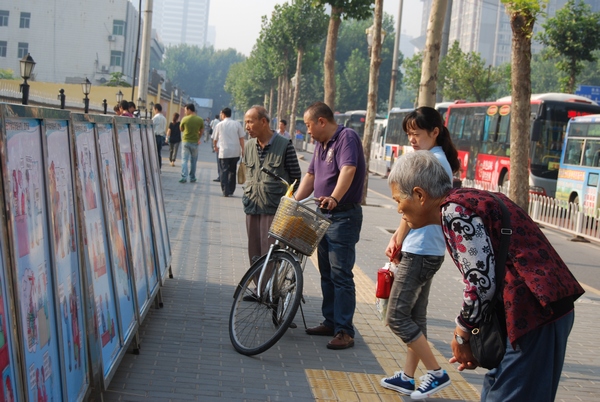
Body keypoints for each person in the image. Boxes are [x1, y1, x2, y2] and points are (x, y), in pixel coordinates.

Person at [388, 151, 585, 402]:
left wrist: (462, 334)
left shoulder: (455, 211)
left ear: (419, 195)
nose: (399, 209)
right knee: (496, 389)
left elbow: (481, 283)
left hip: (537, 313)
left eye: (399, 200)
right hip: (538, 309)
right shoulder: (466, 199)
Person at [380, 107, 460, 399]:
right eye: (409, 134)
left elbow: (413, 205)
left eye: (416, 133)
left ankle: (436, 373)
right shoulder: (435, 159)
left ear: (435, 132)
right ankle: (407, 377)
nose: (412, 139)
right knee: (416, 315)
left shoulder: (433, 163)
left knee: (397, 316)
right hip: (427, 248)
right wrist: (399, 238)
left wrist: (398, 238)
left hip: (421, 249)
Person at [294, 101, 365, 350]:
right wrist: (293, 201)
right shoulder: (320, 144)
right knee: (326, 272)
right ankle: (331, 321)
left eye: (308, 125)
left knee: (341, 274)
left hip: (343, 216)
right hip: (322, 215)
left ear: (321, 121)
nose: (307, 130)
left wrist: (334, 198)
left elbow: (348, 169)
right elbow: (311, 175)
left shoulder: (347, 137)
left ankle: (345, 331)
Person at [242, 105, 302, 266]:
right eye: (245, 122)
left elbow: (296, 178)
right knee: (254, 254)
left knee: (271, 255)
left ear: (263, 122)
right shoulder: (248, 146)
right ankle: (258, 282)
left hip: (274, 210)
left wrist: (287, 202)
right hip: (252, 208)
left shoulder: (285, 145)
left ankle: (270, 283)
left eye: (250, 122)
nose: (247, 126)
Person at [213, 107, 244, 197]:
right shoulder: (237, 124)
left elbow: (215, 139)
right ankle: (231, 190)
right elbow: (241, 138)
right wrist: (243, 149)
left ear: (223, 114)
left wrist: (215, 146)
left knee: (224, 171)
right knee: (232, 171)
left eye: (221, 114)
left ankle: (225, 190)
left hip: (224, 152)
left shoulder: (219, 125)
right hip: (235, 152)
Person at [179, 103, 204, 183]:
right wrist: (198, 138)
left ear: (189, 110)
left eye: (185, 110)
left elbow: (181, 129)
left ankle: (184, 177)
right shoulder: (200, 119)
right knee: (193, 161)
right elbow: (201, 131)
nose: (185, 112)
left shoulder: (184, 119)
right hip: (195, 142)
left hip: (185, 142)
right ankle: (192, 177)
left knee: (184, 160)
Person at [152, 103, 167, 168]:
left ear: (156, 109)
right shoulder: (164, 118)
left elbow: (151, 127)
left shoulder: (156, 117)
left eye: (153, 109)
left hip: (155, 136)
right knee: (158, 152)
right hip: (161, 137)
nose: (153, 111)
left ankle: (154, 166)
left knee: (153, 152)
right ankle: (159, 166)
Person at [211, 114, 221, 180]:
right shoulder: (236, 125)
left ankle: (220, 176)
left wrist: (214, 146)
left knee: (220, 163)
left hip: (220, 147)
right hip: (232, 149)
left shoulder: (218, 125)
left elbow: (214, 138)